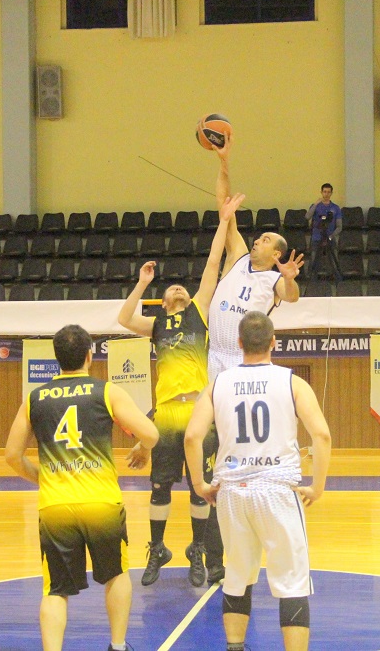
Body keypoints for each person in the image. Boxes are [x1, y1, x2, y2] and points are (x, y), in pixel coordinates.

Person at [4, 324, 160, 651]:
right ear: (90, 355)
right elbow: (151, 434)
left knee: (55, 590)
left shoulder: (34, 399)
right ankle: (118, 645)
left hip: (55, 507)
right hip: (101, 502)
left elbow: (12, 456)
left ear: (57, 358)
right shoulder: (106, 391)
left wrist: (43, 478)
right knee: (116, 575)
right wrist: (143, 449)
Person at [117, 193, 243, 587]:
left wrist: (224, 221)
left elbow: (212, 264)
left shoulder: (198, 312)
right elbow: (124, 318)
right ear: (164, 301)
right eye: (172, 289)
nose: (178, 290)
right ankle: (157, 549)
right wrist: (142, 283)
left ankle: (197, 550)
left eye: (181, 289)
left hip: (198, 412)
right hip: (166, 413)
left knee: (198, 487)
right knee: (159, 487)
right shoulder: (155, 325)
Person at [184, 311, 331, 651]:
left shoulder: (218, 384)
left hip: (232, 492)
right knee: (292, 583)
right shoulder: (293, 382)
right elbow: (321, 435)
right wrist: (317, 487)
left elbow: (192, 437)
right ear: (273, 343)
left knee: (237, 577)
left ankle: (235, 647)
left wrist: (200, 485)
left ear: (239, 343)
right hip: (277, 490)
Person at [204, 133, 304, 583]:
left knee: (234, 441)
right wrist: (224, 163)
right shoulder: (238, 256)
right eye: (258, 237)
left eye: (265, 239)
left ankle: (249, 498)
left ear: (277, 253)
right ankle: (210, 526)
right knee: (209, 440)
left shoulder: (275, 281)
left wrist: (290, 278)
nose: (257, 240)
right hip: (215, 355)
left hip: (242, 365)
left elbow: (293, 297)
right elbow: (224, 207)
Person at [304, 183, 342, 282]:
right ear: (321, 192)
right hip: (317, 237)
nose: (326, 194)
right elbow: (307, 217)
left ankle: (337, 281)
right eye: (324, 192)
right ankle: (312, 281)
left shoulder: (336, 208)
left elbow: (339, 226)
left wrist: (331, 236)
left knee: (333, 260)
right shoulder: (316, 206)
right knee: (314, 260)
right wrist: (315, 204)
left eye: (328, 192)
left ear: (331, 193)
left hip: (330, 237)